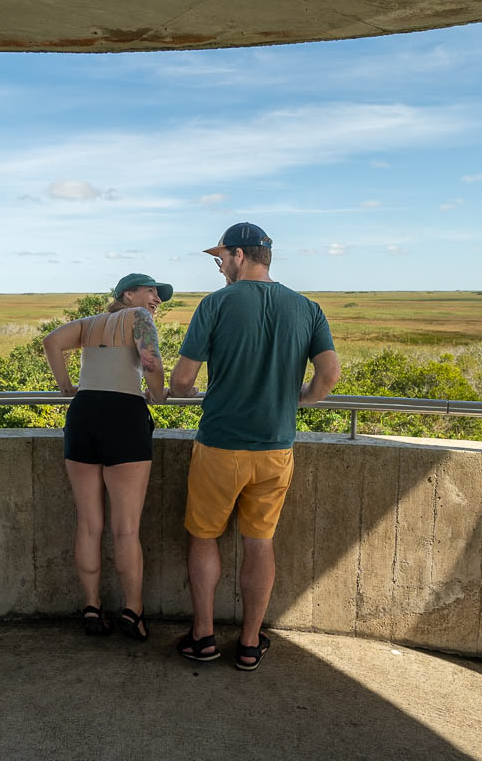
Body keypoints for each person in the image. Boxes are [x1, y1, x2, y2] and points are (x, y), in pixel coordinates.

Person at [168, 223, 341, 671]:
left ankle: (203, 636)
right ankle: (248, 643)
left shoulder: (216, 304)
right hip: (275, 447)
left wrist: (184, 394)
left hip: (220, 446)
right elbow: (329, 375)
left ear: (240, 255)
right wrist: (301, 399)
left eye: (221, 257)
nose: (220, 265)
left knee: (204, 537)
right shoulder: (308, 308)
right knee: (259, 542)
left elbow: (183, 381)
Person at [43, 272, 172, 642]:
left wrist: (66, 387)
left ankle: (91, 607)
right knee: (126, 528)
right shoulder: (139, 319)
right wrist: (158, 393)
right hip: (123, 417)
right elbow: (150, 362)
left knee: (88, 524)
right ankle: (133, 612)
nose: (156, 300)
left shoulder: (88, 324)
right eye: (151, 292)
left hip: (83, 415)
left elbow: (51, 342)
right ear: (128, 295)